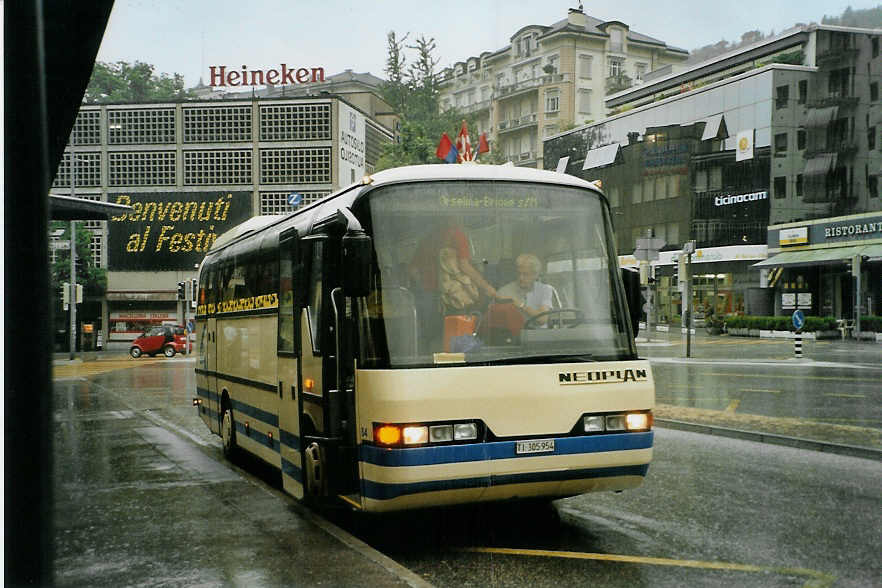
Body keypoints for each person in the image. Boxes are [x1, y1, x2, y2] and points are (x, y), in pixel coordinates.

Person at [497, 253, 554, 326]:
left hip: (540, 335)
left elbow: (542, 319)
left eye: (525, 274)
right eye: (519, 273)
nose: (521, 278)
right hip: (513, 335)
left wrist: (521, 305)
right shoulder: (504, 292)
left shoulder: (545, 290)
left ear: (535, 275)